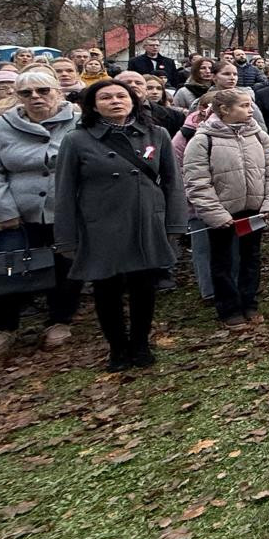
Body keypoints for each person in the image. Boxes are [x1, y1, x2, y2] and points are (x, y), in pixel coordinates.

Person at [54, 80, 187, 371]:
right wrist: (66, 238)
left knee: (144, 286)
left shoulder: (156, 134)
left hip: (146, 218)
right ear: (92, 104)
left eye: (121, 96)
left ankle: (140, 343)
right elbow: (64, 191)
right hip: (101, 223)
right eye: (106, 97)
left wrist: (175, 223)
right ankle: (117, 347)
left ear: (132, 101)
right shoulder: (77, 140)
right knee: (107, 288)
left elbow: (173, 182)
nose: (115, 101)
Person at [0, 69, 81, 358]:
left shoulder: (79, 122)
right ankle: (4, 325)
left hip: (66, 208)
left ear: (58, 91)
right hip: (17, 211)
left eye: (43, 91)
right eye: (26, 93)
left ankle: (60, 319)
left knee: (65, 267)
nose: (35, 97)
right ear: (17, 97)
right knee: (9, 267)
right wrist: (2, 210)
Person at [182, 87, 269, 328]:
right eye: (244, 106)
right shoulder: (203, 139)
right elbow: (196, 181)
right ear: (225, 110)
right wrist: (216, 214)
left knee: (251, 256)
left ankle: (249, 301)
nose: (250, 111)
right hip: (223, 212)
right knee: (223, 260)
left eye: (251, 106)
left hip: (254, 210)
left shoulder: (258, 135)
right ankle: (228, 307)